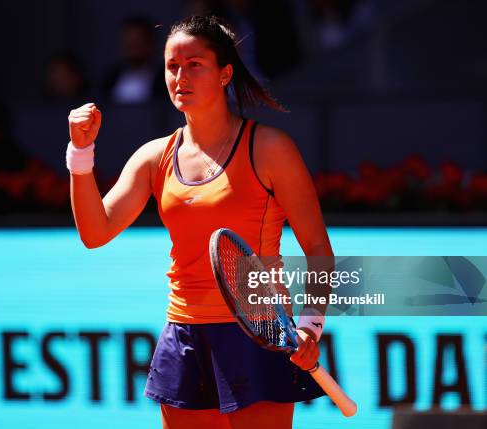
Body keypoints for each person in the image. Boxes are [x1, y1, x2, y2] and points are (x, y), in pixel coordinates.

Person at [66, 15, 333, 429]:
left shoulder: (271, 149)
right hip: (183, 336)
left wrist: (311, 328)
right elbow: (95, 232)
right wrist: (80, 156)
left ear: (225, 73)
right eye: (172, 66)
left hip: (258, 335)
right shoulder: (154, 156)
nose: (180, 76)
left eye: (195, 64)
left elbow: (317, 248)